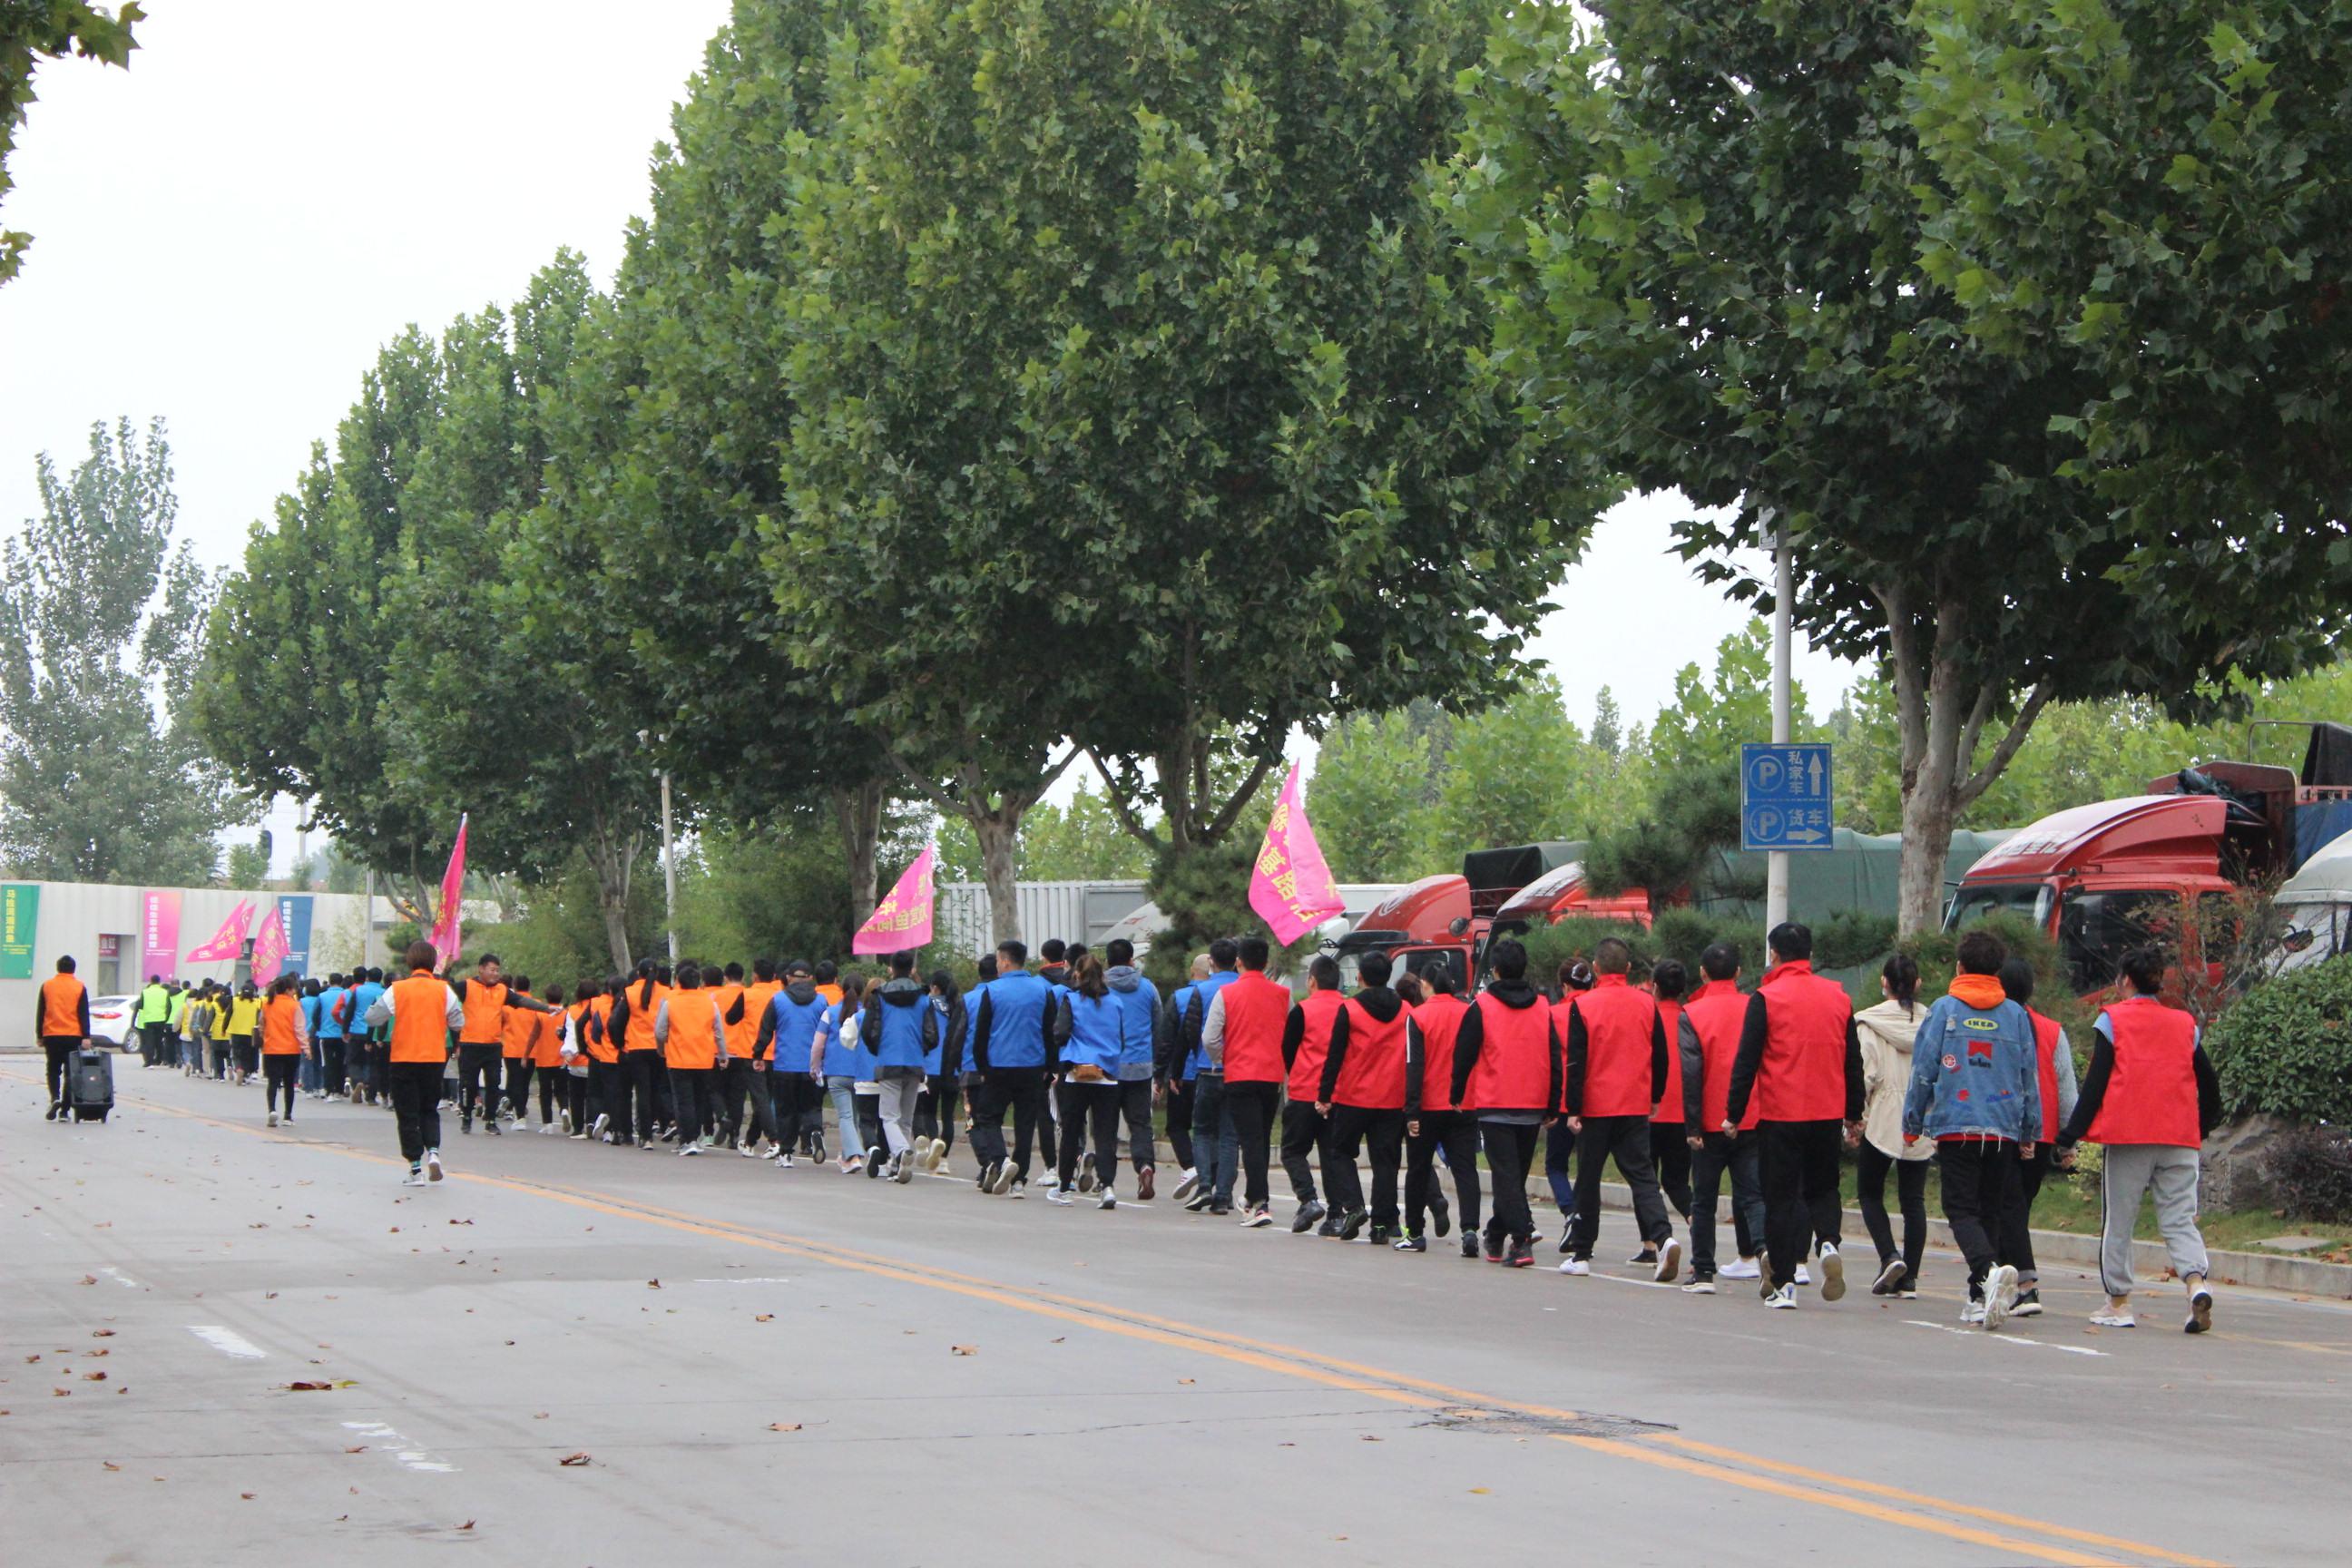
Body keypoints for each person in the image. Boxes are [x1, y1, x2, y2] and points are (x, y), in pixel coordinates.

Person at [2057, 945, 2223, 1335]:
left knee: (2120, 1221)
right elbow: (2210, 1084)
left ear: (2125, 980)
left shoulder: (2112, 1020)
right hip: (2180, 1137)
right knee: (2180, 1219)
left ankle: (2118, 1302)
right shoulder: (2185, 1024)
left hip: (2130, 1136)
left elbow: (2095, 1087)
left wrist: (2068, 1136)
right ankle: (2196, 1282)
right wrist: (2200, 1126)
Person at [1902, 929, 2041, 1328]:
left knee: (1960, 1209)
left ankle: (1986, 1270)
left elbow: (1924, 1070)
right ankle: (1980, 1297)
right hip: (2002, 1128)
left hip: (1955, 1126)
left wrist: (1912, 1122)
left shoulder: (1944, 1010)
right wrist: (2030, 1130)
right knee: (1990, 1211)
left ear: (1959, 966)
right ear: (1998, 970)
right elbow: (2028, 1076)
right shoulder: (2015, 1015)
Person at [1725, 922, 1865, 1309]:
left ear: (1774, 955)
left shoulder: (1766, 998)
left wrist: (1734, 1113)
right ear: (1811, 955)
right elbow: (1852, 1059)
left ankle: (1784, 1283)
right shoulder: (1838, 998)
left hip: (1781, 1113)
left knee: (1780, 1198)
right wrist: (1853, 1112)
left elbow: (1747, 1061)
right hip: (1826, 1112)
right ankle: (1829, 1242)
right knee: (1823, 1188)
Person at [1561, 937, 1680, 1280]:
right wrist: (1654, 1095)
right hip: (1633, 1103)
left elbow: (1577, 1063)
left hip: (1596, 1106)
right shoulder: (1646, 1004)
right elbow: (1660, 1054)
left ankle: (1581, 1253)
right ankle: (1663, 1236)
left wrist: (1574, 1108)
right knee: (1643, 1176)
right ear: (1628, 969)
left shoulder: (1583, 1006)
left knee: (1588, 1178)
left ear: (1595, 969)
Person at [1449, 939, 1560, 1268]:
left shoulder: (1481, 1007)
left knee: (1506, 1177)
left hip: (1496, 1102)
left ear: (1494, 971)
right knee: (1513, 1176)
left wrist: (1456, 1094)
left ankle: (1521, 1239)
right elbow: (1554, 1055)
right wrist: (1553, 1104)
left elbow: (1464, 1054)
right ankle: (1496, 1235)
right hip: (1532, 1102)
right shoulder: (1543, 1006)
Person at [1677, 944, 1765, 1293]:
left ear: (1702, 973)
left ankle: (1703, 1271)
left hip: (1710, 1119)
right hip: (1751, 1115)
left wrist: (1693, 1124)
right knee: (1753, 1195)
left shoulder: (1693, 1013)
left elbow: (1691, 1071)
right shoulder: (1755, 1007)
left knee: (1704, 1197)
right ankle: (1763, 1250)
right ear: (1739, 972)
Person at [1998, 956, 2077, 1317]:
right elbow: (2066, 1088)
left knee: (2009, 1206)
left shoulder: (1992, 1025)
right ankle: (2001, 1279)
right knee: (2017, 1206)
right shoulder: (2051, 1030)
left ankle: (2025, 1286)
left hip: (2003, 1128)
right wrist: (2067, 1140)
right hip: (2043, 1130)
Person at [1318, 949, 1410, 1244]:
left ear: (1360, 976)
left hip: (1354, 1096)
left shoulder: (1350, 1009)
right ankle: (1382, 1225)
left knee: (1341, 1152)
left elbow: (1335, 1055)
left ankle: (1354, 1206)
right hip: (1392, 1096)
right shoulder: (1406, 1010)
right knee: (1386, 1162)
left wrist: (1324, 1094)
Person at [1856, 953, 1933, 1299]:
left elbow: (1866, 1075)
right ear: (1917, 985)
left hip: (1884, 1115)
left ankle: (1889, 1255)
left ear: (1883, 982)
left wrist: (1856, 1117)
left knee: (1870, 1192)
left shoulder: (1868, 1023)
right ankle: (1910, 1277)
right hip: (1922, 1116)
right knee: (1913, 1199)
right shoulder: (1934, 1022)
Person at [1201, 936, 1290, 1228]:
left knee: (1249, 1138)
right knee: (1261, 1137)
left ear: (1239, 961)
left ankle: (1261, 1204)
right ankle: (1253, 1196)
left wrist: (1223, 1058)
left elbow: (1210, 1037)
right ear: (1265, 963)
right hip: (1271, 1075)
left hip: (1239, 1073)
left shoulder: (1227, 994)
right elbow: (1292, 1033)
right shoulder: (1282, 994)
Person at [365, 940, 466, 1185]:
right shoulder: (444, 990)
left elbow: (372, 1018)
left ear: (409, 961)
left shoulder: (397, 989)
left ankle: (415, 1169)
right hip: (433, 1058)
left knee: (407, 1112)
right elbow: (458, 1022)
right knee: (429, 1109)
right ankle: (434, 1152)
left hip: (404, 1058)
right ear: (433, 962)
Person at [1397, 966, 1481, 1255]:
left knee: (1418, 1169)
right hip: (1464, 1103)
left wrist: (1411, 1111)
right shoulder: (1469, 1012)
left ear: (1425, 985)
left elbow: (1414, 1065)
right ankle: (1470, 1230)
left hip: (1429, 1104)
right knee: (1465, 1169)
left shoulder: (1418, 1017)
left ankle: (1415, 1232)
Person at [968, 942, 1063, 1197]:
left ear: (1006, 961)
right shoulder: (1043, 990)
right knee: (1025, 1122)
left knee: (987, 1117)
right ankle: (1019, 1181)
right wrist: (1051, 1068)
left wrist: (982, 1066)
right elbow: (1049, 1031)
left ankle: (1001, 1160)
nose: (997, 965)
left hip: (999, 1065)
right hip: (1033, 1067)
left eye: (999, 960)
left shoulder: (993, 990)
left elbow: (982, 1033)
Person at [1048, 954, 1123, 1208]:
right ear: (1102, 975)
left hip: (1077, 1073)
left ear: (1076, 975)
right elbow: (1120, 1036)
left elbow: (1060, 1033)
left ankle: (1064, 1186)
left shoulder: (1071, 1000)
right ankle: (1108, 1186)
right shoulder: (1115, 1003)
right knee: (1105, 1134)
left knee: (1071, 1131)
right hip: (1107, 1074)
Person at [1279, 956, 1348, 1235]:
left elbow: (1288, 1050)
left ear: (1312, 981)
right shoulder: (1349, 1008)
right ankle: (1336, 1215)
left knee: (1293, 1150)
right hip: (1339, 1094)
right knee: (1332, 1155)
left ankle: (1308, 1199)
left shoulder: (1302, 1011)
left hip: (1305, 1091)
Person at [862, 951, 941, 1183]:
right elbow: (932, 1034)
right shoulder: (924, 998)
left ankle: (900, 1152)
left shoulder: (879, 996)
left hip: (888, 1060)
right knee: (906, 1118)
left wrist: (879, 1049)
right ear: (913, 969)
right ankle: (899, 1167)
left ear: (891, 968)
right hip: (915, 1062)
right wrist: (921, 1050)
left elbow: (869, 1030)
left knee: (888, 1116)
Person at [1180, 941, 1242, 1214]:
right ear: (1236, 961)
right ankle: (1224, 1195)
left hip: (1207, 1068)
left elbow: (1192, 1029)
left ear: (1212, 963)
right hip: (1237, 1069)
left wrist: (1201, 1055)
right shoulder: (1242, 990)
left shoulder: (1201, 990)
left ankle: (1204, 1185)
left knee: (1203, 1130)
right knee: (1230, 1135)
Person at [758, 961, 832, 1168]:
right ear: (810, 978)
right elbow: (827, 1031)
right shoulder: (821, 1001)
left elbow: (765, 1029)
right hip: (812, 1067)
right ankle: (815, 1131)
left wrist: (757, 1054)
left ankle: (786, 1153)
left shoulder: (778, 1000)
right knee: (811, 1106)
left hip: (784, 1065)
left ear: (788, 978)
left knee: (785, 1111)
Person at [1103, 939, 1161, 1200]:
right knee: (1140, 1123)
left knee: (1105, 1125)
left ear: (1107, 961)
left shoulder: (1099, 988)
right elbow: (1158, 1027)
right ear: (1131, 960)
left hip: (1107, 1067)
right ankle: (1145, 1165)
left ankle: (1106, 1181)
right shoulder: (1147, 988)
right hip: (1140, 1066)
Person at [1543, 960, 1593, 1251]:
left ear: (1564, 985)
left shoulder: (1554, 1014)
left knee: (1555, 1164)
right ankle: (1584, 1220)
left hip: (1562, 1100)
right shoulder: (1599, 1010)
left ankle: (1570, 1210)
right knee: (1589, 1167)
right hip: (1595, 1101)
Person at [654, 963, 729, 1154]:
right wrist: (722, 1054)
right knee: (699, 1100)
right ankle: (695, 1137)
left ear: (679, 981)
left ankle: (687, 1140)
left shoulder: (671, 1002)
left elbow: (660, 1031)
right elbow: (718, 1032)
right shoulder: (709, 1003)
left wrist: (661, 1049)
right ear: (698, 983)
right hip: (703, 1059)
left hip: (678, 1058)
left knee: (683, 1101)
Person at [1157, 952, 1212, 1198]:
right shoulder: (1224, 993)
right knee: (1211, 1128)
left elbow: (1167, 1040)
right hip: (1214, 1070)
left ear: (1193, 971)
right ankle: (1213, 1179)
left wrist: (1161, 1074)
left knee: (1177, 1125)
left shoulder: (1179, 998)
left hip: (1184, 1073)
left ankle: (1190, 1166)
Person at [1648, 959, 1695, 1230]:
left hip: (1650, 1109)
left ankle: (1654, 1241)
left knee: (1646, 1181)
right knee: (1677, 1180)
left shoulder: (1647, 1017)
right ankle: (1694, 1219)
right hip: (1683, 1112)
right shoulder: (1690, 1017)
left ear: (1654, 987)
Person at [605, 962, 669, 1148]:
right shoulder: (667, 993)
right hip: (659, 1048)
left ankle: (644, 1136)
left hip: (635, 1047)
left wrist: (619, 1043)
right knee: (654, 1092)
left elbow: (617, 1021)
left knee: (641, 1092)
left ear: (638, 973)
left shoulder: (629, 992)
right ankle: (653, 1129)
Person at [812, 974, 872, 1174]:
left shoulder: (830, 1013)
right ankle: (848, 1155)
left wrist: (815, 1067)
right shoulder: (867, 1014)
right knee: (854, 1116)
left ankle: (853, 1156)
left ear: (841, 988)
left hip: (836, 1071)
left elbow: (818, 1044)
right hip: (861, 1072)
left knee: (846, 1116)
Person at [916, 966, 968, 1174]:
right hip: (953, 1068)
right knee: (948, 1115)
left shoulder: (927, 1005)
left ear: (935, 987)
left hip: (930, 1066)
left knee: (928, 1112)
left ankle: (934, 1140)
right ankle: (944, 1160)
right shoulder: (959, 1005)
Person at [738, 960, 784, 1157]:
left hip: (753, 1053)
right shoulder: (781, 995)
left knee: (760, 1099)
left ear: (755, 976)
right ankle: (749, 1142)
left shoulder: (746, 994)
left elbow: (731, 1017)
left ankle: (774, 1140)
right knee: (764, 1099)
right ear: (774, 976)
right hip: (777, 1053)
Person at [37, 955, 90, 1120]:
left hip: (51, 1035)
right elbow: (83, 1013)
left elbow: (41, 1011)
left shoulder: (47, 986)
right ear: (73, 969)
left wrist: (39, 1034)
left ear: (58, 968)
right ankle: (64, 1111)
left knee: (52, 1070)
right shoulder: (79, 987)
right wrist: (86, 1036)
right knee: (70, 1073)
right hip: (73, 1035)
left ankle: (55, 1098)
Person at [710, 962, 756, 1152]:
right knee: (737, 1095)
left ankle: (722, 1116)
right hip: (742, 1051)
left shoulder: (715, 996)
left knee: (715, 1089)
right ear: (743, 977)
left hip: (718, 1050)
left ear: (725, 978)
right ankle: (735, 1134)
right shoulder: (748, 995)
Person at [259, 974, 309, 1127]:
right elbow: (299, 1029)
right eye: (294, 989)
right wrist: (306, 1048)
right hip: (291, 1050)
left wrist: (265, 1038)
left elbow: (262, 1026)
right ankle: (288, 1116)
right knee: (289, 1083)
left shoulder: (267, 1004)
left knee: (273, 1082)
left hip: (272, 1049)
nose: (295, 992)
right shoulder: (294, 1005)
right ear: (288, 990)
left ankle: (272, 1110)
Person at [498, 975, 540, 1128]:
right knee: (524, 1083)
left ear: (514, 987)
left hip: (511, 1048)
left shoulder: (507, 1007)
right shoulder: (536, 1005)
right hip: (531, 1051)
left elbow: (499, 1024)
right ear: (529, 987)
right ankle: (516, 1108)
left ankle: (518, 1112)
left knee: (514, 1080)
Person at [531, 985, 568, 1132]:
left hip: (543, 1058)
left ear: (546, 997)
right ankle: (564, 1109)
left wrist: (527, 1055)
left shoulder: (541, 1014)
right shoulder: (566, 1014)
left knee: (545, 1092)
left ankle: (548, 1123)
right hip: (562, 1058)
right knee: (562, 1090)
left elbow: (534, 1035)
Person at [315, 972, 348, 1100]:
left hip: (326, 1034)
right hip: (342, 1034)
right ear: (341, 982)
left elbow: (315, 1014)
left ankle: (329, 1090)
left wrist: (320, 1028)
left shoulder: (322, 996)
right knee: (340, 1063)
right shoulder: (346, 994)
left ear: (329, 981)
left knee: (327, 1063)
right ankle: (339, 1090)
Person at [226, 982, 261, 1086]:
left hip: (236, 1031)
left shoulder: (234, 1001)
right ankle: (245, 1074)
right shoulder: (257, 1003)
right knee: (247, 1055)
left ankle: (238, 1068)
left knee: (236, 1054)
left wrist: (224, 1028)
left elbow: (228, 1015)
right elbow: (259, 1018)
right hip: (251, 1033)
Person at [135, 974, 172, 1068]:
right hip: (161, 1019)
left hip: (149, 1019)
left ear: (150, 981)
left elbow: (141, 1005)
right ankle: (159, 1059)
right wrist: (166, 1018)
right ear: (159, 982)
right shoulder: (165, 992)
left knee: (149, 1041)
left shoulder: (145, 992)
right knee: (159, 1041)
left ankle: (149, 1061)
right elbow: (169, 1006)